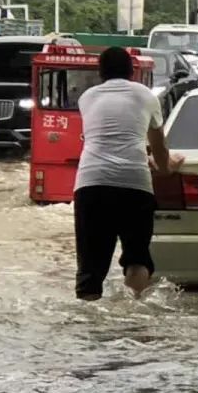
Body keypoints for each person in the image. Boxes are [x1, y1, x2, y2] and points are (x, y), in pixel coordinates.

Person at [73, 47, 183, 300]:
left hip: (91, 184)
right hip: (135, 184)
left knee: (90, 267)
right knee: (137, 258)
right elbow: (159, 145)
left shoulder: (87, 98)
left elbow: (105, 136)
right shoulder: (146, 96)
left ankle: (87, 326)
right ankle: (133, 313)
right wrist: (166, 168)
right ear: (132, 71)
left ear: (100, 72)